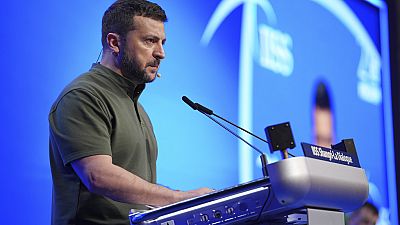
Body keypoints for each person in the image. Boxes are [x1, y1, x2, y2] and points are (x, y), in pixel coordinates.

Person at [49, 1, 212, 224]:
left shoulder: (136, 105)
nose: (161, 53)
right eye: (150, 41)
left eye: (163, 42)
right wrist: (179, 199)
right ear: (114, 42)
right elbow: (98, 175)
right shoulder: (83, 96)